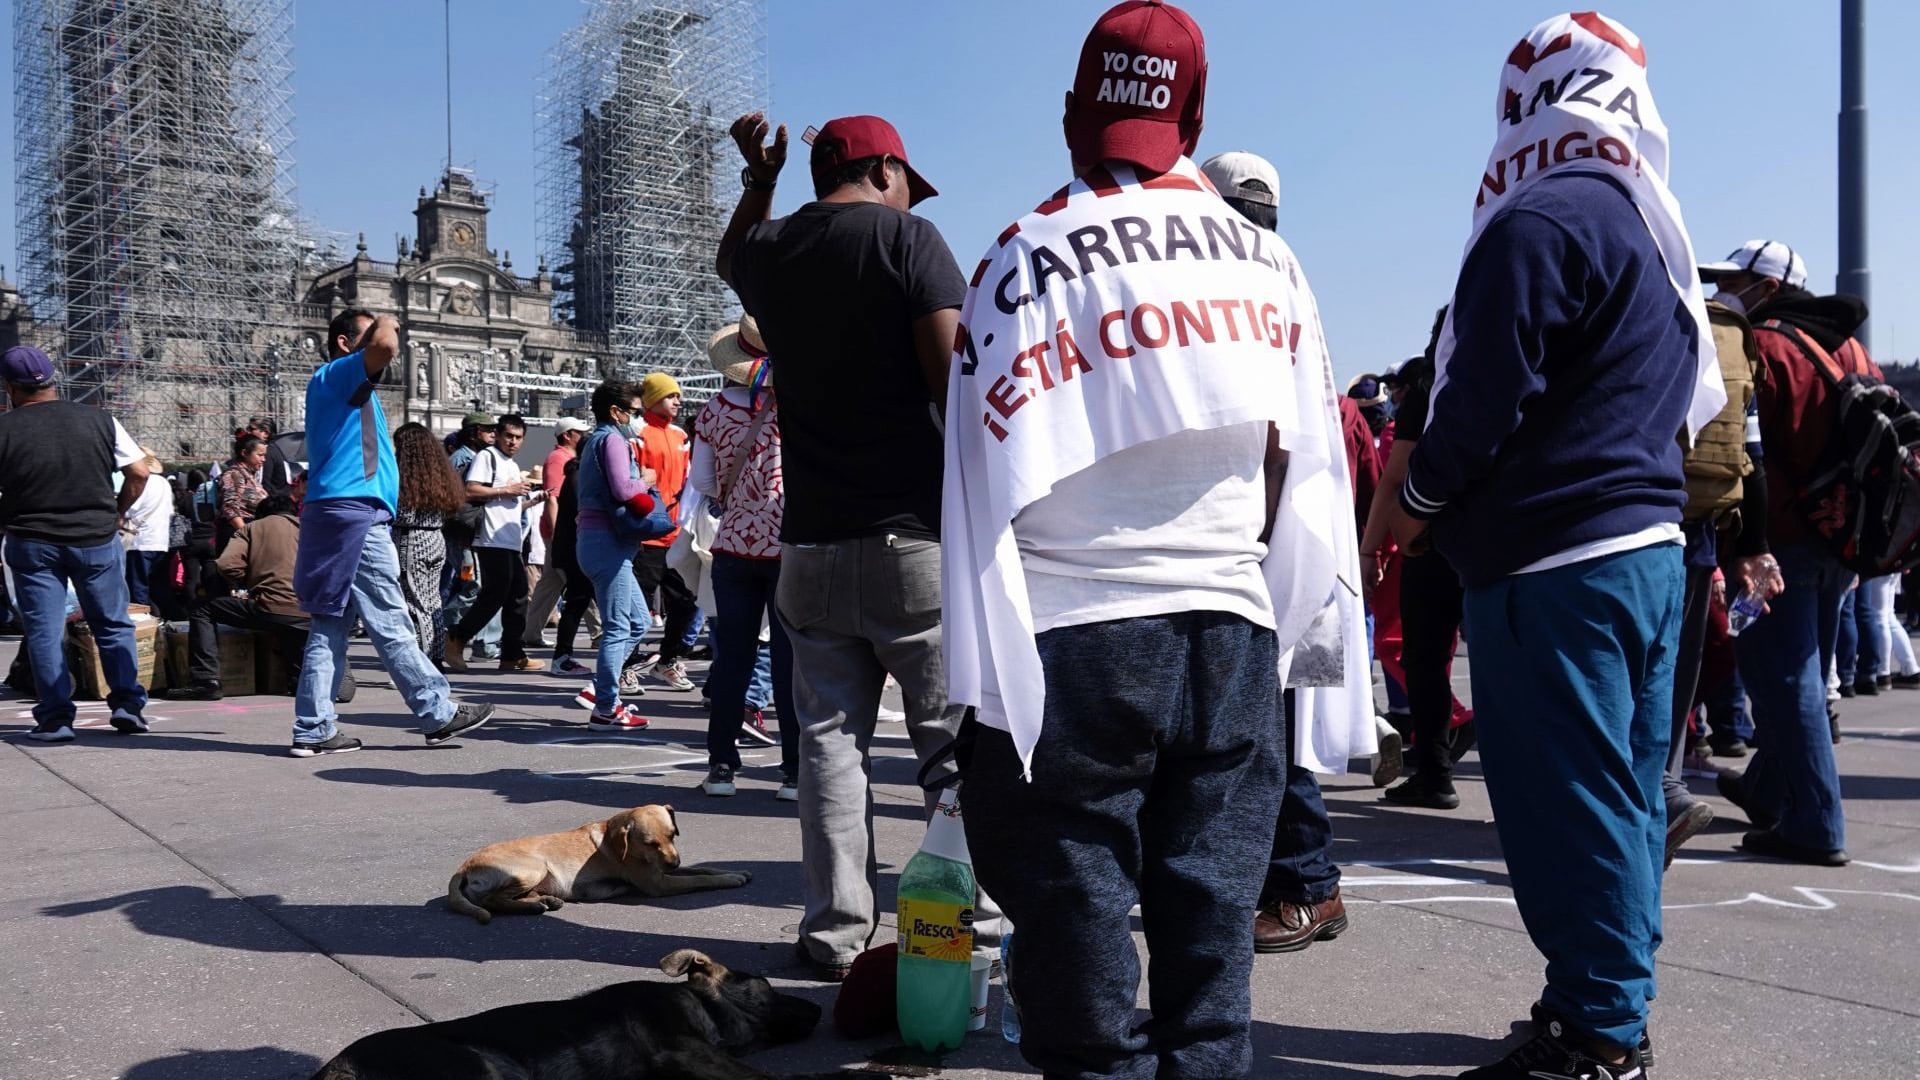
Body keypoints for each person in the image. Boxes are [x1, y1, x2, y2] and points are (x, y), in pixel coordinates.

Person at [944, 5, 1353, 1075]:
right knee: (1213, 914)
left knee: (1074, 903)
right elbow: (1301, 467)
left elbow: (978, 472)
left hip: (1076, 628)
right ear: (1197, 111)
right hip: (1229, 623)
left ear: (1075, 113)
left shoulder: (1022, 254)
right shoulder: (1271, 266)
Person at [1374, 15, 1724, 1078]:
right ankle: (1606, 1004)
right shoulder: (1649, 226)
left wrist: (1415, 496)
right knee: (1620, 799)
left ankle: (1597, 1035)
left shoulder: (1534, 221)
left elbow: (1476, 406)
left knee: (1567, 806)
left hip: (1554, 564)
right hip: (1648, 548)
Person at [718, 103, 981, 980]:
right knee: (947, 744)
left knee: (829, 741)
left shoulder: (775, 249)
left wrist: (759, 180)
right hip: (913, 539)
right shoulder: (913, 244)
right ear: (888, 172)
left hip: (812, 544)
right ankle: (966, 920)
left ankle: (834, 933)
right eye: (909, 182)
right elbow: (952, 383)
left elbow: (731, 254)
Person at [1200, 148, 1362, 954]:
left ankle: (1308, 885)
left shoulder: (1246, 279)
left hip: (1276, 551)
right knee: (1278, 726)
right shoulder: (1289, 274)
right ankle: (1292, 879)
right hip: (1304, 545)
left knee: (1278, 729)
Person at [1703, 239, 1877, 867]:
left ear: (1767, 288)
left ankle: (1815, 824)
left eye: (1733, 281)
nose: (1723, 293)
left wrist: (1741, 543)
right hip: (1840, 540)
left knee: (1783, 680)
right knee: (1804, 672)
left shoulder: (1767, 346)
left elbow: (1738, 445)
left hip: (1774, 545)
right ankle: (1768, 789)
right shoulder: (1848, 347)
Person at [288, 308, 494, 756]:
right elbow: (384, 345)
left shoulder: (344, 385)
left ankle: (314, 727)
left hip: (335, 511)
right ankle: (436, 711)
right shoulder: (340, 374)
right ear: (345, 344)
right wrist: (387, 317)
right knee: (390, 616)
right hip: (355, 512)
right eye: (364, 338)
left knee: (330, 623)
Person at [0, 345, 153, 741]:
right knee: (113, 624)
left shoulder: (6, 428)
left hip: (32, 541)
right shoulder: (100, 419)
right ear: (54, 379)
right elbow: (139, 471)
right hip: (96, 537)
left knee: (45, 630)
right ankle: (126, 705)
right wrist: (118, 512)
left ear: (9, 389)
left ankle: (54, 718)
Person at [690, 315, 797, 801]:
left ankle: (721, 768)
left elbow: (703, 483)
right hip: (786, 545)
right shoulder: (798, 408)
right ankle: (793, 773)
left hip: (733, 546)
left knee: (733, 657)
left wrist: (735, 500)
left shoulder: (712, 410)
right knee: (788, 660)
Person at [573, 378, 660, 732]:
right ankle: (606, 706)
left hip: (601, 543)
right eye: (635, 412)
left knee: (637, 622)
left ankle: (601, 690)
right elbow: (625, 489)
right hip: (605, 543)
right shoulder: (610, 438)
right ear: (615, 411)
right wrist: (648, 481)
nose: (638, 419)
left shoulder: (598, 440)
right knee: (618, 627)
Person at [164, 494, 309, 699]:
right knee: (290, 628)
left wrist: (249, 582)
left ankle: (205, 680)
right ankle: (301, 681)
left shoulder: (251, 528)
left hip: (269, 608)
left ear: (260, 514)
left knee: (201, 609)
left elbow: (226, 564)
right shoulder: (310, 528)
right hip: (308, 612)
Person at [446, 414, 547, 673]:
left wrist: (531, 500)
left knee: (517, 596)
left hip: (510, 540)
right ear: (499, 436)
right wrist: (507, 490)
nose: (513, 442)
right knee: (494, 595)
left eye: (518, 437)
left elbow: (507, 505)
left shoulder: (511, 465)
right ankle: (456, 638)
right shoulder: (487, 457)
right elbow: (470, 490)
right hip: (491, 539)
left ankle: (512, 654)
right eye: (508, 436)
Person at [621, 373, 698, 692]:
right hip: (645, 535)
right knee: (634, 608)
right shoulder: (635, 434)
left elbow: (691, 482)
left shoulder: (682, 436)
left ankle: (667, 661)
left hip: (676, 534)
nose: (678, 401)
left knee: (687, 602)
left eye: (678, 396)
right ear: (653, 400)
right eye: (670, 396)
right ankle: (625, 666)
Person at [392, 421, 467, 668]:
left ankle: (423, 661)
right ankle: (436, 654)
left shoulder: (405, 476)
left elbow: (403, 515)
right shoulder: (439, 473)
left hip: (412, 540)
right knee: (433, 602)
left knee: (416, 604)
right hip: (436, 538)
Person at [522, 417, 593, 650]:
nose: (583, 435)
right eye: (579, 432)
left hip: (561, 531)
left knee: (551, 583)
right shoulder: (557, 459)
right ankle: (600, 631)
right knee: (579, 579)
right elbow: (553, 498)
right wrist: (556, 533)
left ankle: (531, 632)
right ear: (567, 435)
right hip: (562, 531)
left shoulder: (566, 458)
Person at [122, 447, 174, 609]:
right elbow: (170, 510)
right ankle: (168, 621)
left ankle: (143, 623)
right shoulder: (164, 483)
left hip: (140, 540)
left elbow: (130, 509)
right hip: (160, 540)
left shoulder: (139, 482)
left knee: (138, 589)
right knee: (160, 587)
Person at [217, 435, 269, 548]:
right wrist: (246, 535)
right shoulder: (235, 474)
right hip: (237, 537)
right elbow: (230, 507)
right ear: (245, 453)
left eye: (264, 455)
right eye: (260, 455)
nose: (263, 459)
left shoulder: (250, 476)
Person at [249, 416, 294, 498]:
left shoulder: (266, 452)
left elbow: (264, 483)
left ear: (265, 433)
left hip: (274, 501)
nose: (249, 432)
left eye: (252, 429)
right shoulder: (273, 448)